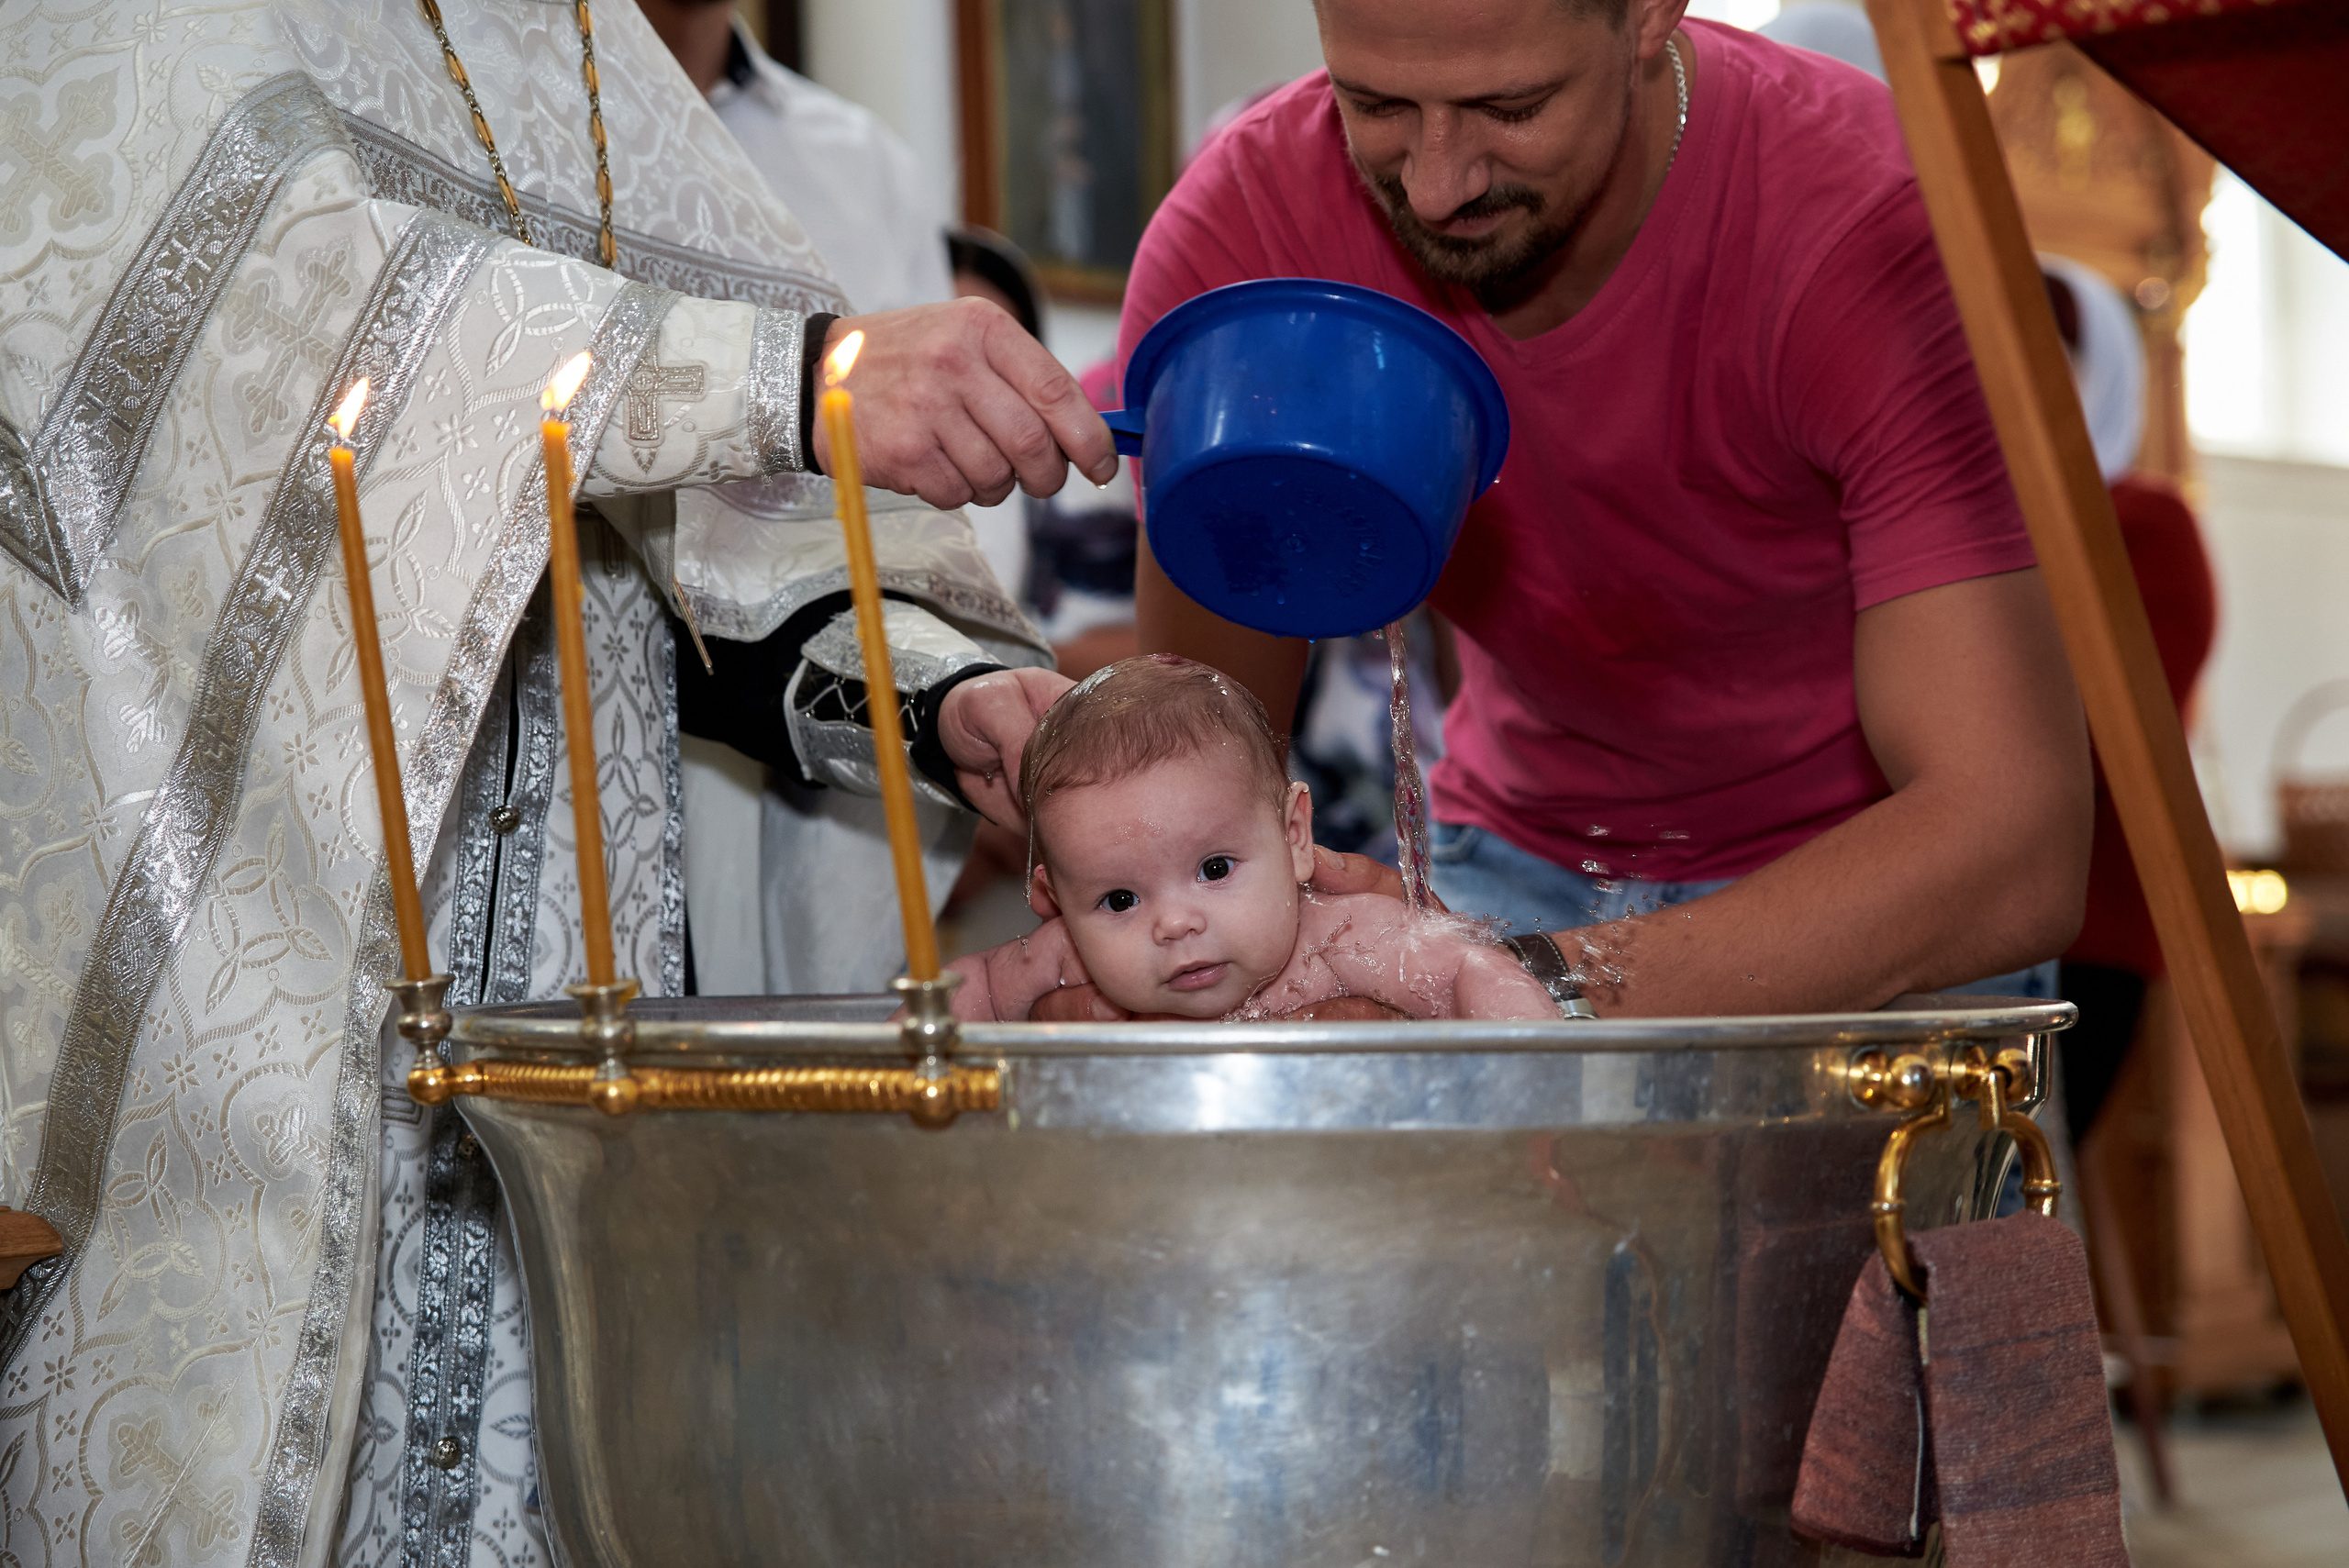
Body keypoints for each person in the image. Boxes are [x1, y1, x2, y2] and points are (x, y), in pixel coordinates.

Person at [0, 4, 1118, 1562]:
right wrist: (788, 372)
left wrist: (940, 697)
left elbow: (686, 541)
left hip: (585, 1039)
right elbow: (275, 339)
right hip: (262, 1038)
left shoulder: (585, 49)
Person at [1108, 0, 2091, 1019]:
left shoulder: (1869, 223)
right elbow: (1192, 800)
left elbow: (2013, 843)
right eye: (1376, 106)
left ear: (1648, 15)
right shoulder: (1248, 244)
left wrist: (1514, 987)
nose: (1437, 187)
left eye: (1511, 108)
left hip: (1869, 881)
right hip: (1511, 854)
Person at [640, 0, 994, 997]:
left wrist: (963, 695)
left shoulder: (858, 161)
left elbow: (937, 518)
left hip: (819, 747)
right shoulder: (483, 114)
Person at [946, 656, 1554, 1021]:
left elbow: (1471, 971)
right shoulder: (1065, 956)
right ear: (1054, 900)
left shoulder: (1344, 938)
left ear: (1294, 836)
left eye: (1214, 868)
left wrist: (1533, 1077)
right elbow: (965, 995)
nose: (1175, 925)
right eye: (1120, 900)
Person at [2037, 256, 2217, 1143]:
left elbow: (2098, 736)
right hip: (1930, 916)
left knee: (1993, 1188)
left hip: (2083, 932)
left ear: (2096, 371)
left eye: (2048, 358)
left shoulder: (2144, 526)